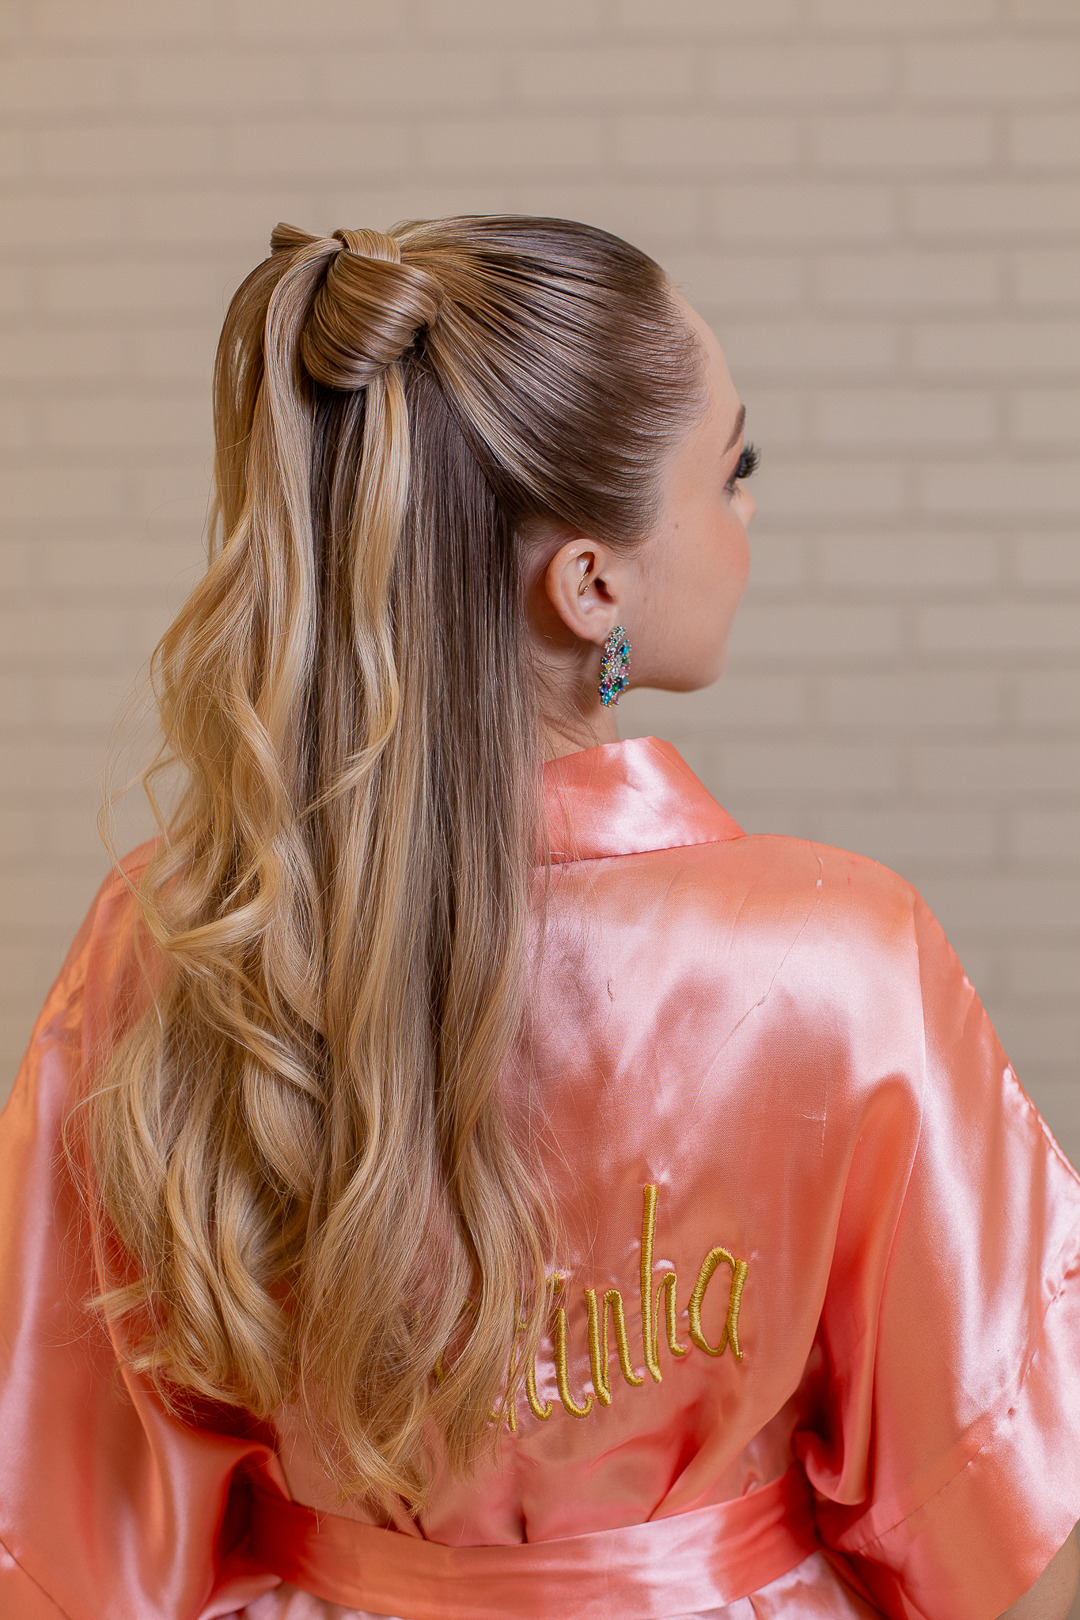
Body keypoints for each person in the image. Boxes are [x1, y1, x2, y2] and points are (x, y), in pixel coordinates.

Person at [1, 215, 1078, 1620]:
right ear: (591, 583)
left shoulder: (180, 937)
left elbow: (68, 1526)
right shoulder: (848, 960)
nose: (749, 515)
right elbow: (986, 1491)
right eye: (733, 471)